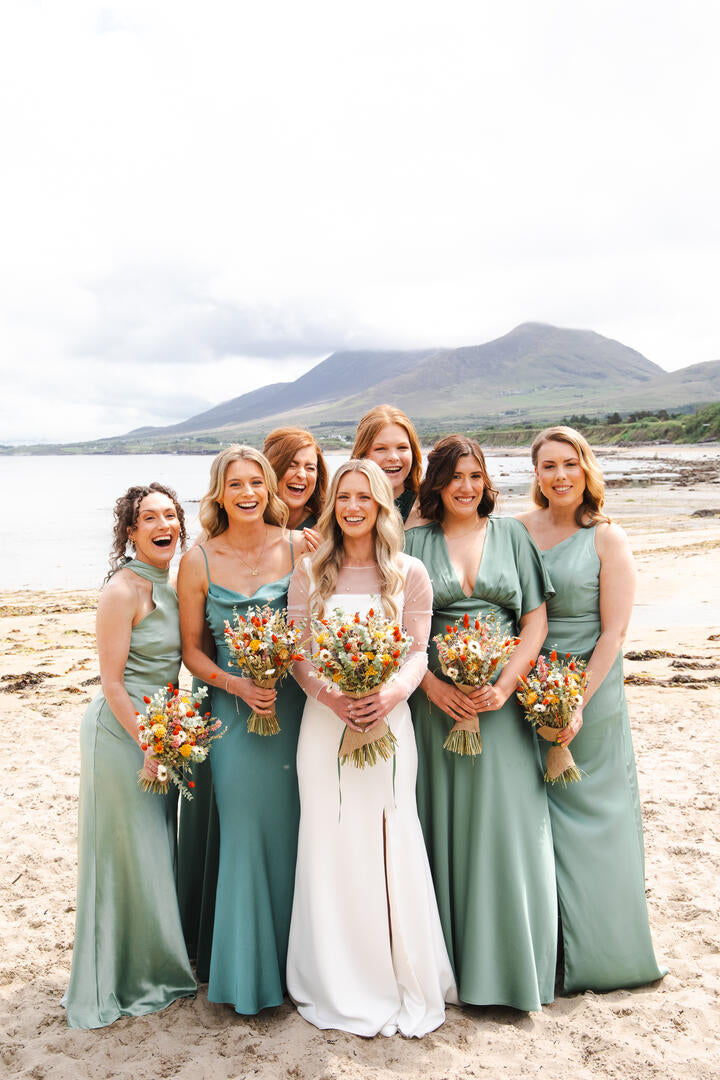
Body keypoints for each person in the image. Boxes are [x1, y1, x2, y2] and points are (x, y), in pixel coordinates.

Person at [286, 459, 456, 1037]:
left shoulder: (408, 572)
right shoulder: (310, 571)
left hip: (389, 724)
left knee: (389, 835)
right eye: (343, 497)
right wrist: (332, 698)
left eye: (365, 497)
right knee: (329, 838)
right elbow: (300, 653)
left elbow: (417, 651)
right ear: (333, 505)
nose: (353, 507)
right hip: (323, 726)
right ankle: (334, 976)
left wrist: (388, 697)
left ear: (383, 505)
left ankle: (394, 974)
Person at [405, 436, 557, 1012]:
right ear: (437, 484)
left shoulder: (512, 535)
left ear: (486, 481)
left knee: (506, 828)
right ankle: (452, 970)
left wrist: (507, 685)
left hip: (502, 708)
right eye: (453, 477)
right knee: (444, 825)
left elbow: (535, 621)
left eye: (474, 476)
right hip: (436, 708)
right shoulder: (414, 543)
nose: (465, 487)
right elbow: (396, 628)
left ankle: (512, 971)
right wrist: (433, 687)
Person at [517, 426, 665, 993]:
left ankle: (603, 954)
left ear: (586, 469)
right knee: (531, 815)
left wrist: (574, 701)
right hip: (524, 685)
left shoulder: (607, 538)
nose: (559, 476)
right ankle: (544, 951)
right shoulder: (516, 530)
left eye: (569, 464)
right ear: (535, 474)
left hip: (590, 691)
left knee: (592, 813)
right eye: (548, 466)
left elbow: (614, 633)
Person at [178, 445, 308, 1014]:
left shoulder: (301, 546)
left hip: (296, 710)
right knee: (247, 830)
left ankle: (299, 967)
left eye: (256, 482)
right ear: (219, 494)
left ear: (269, 489)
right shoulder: (198, 561)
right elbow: (191, 651)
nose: (248, 493)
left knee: (298, 829)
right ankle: (248, 974)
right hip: (231, 716)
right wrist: (236, 685)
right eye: (235, 485)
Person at [64, 484, 195, 1028]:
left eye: (170, 515)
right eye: (149, 518)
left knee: (153, 851)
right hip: (122, 736)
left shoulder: (176, 582)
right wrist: (151, 745)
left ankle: (152, 965)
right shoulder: (122, 590)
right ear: (131, 532)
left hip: (161, 734)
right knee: (125, 854)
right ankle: (119, 976)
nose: (163, 525)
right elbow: (113, 683)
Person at [352, 404, 422, 522]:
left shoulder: (431, 508)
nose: (393, 457)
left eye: (402, 447)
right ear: (362, 454)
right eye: (381, 449)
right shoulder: (345, 510)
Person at [263, 426, 328, 530]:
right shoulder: (247, 521)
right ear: (271, 469)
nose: (302, 475)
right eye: (291, 466)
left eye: (310, 468)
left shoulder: (328, 529)